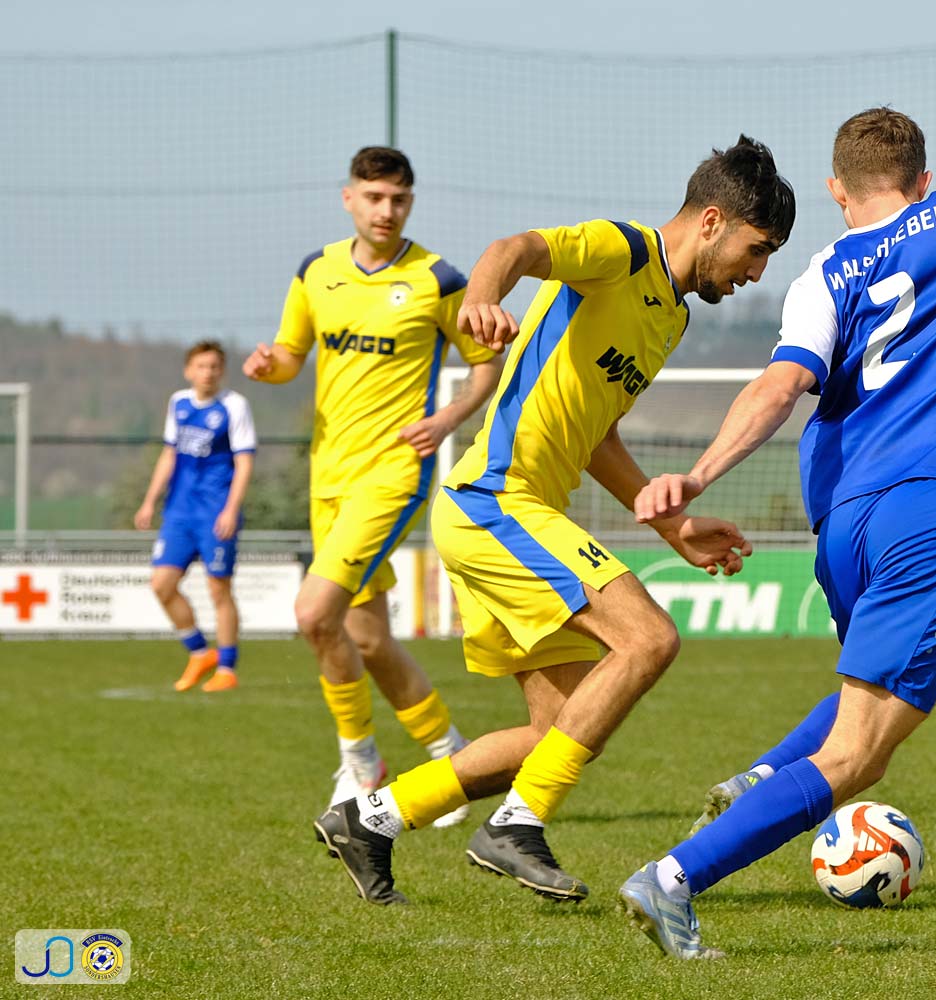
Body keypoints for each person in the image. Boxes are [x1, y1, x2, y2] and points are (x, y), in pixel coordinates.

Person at [618, 19, 936, 958]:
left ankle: (762, 782)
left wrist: (696, 472)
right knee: (861, 750)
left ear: (837, 190)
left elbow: (781, 386)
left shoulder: (821, 274)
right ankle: (673, 879)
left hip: (845, 523)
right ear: (923, 177)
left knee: (880, 697)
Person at [311, 136, 794, 906]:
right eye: (757, 249)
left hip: (514, 514)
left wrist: (672, 526)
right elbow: (516, 249)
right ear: (712, 222)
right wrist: (482, 297)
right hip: (495, 501)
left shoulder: (669, 319)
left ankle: (371, 819)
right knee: (649, 639)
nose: (757, 272)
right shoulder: (623, 251)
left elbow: (597, 437)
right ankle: (515, 825)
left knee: (558, 733)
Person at [243, 146, 504, 826]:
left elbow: (486, 363)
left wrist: (447, 418)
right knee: (367, 640)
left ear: (410, 203)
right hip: (327, 476)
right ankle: (450, 754)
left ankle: (360, 761)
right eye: (374, 198)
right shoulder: (316, 270)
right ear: (349, 198)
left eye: (399, 200)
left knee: (313, 614)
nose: (386, 211)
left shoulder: (438, 279)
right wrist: (269, 365)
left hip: (392, 473)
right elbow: (291, 355)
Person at [135, 340, 256, 693]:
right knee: (161, 584)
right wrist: (149, 501)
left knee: (219, 589)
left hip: (215, 513)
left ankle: (227, 669)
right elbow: (169, 454)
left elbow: (244, 462)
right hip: (179, 512)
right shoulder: (179, 402)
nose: (208, 373)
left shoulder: (234, 406)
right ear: (189, 370)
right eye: (201, 366)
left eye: (215, 367)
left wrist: (231, 508)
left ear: (223, 371)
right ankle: (200, 653)